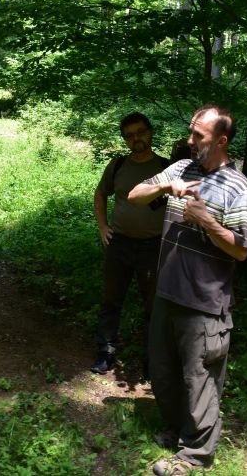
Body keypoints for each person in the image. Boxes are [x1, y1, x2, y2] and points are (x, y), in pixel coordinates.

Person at [128, 104, 247, 475]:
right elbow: (134, 194)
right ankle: (175, 428)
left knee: (199, 381)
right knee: (163, 371)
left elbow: (242, 250)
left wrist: (208, 222)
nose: (189, 140)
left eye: (198, 135)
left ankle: (196, 455)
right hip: (167, 292)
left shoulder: (239, 187)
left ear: (221, 140)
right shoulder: (182, 168)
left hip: (203, 303)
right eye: (191, 131)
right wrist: (165, 186)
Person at [90, 112, 169, 376]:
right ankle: (105, 352)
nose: (137, 138)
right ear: (125, 139)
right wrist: (103, 227)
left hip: (154, 246)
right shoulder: (118, 165)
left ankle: (152, 359)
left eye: (141, 132)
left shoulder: (166, 167)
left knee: (154, 306)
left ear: (150, 132)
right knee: (111, 300)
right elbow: (101, 193)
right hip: (120, 244)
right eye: (130, 135)